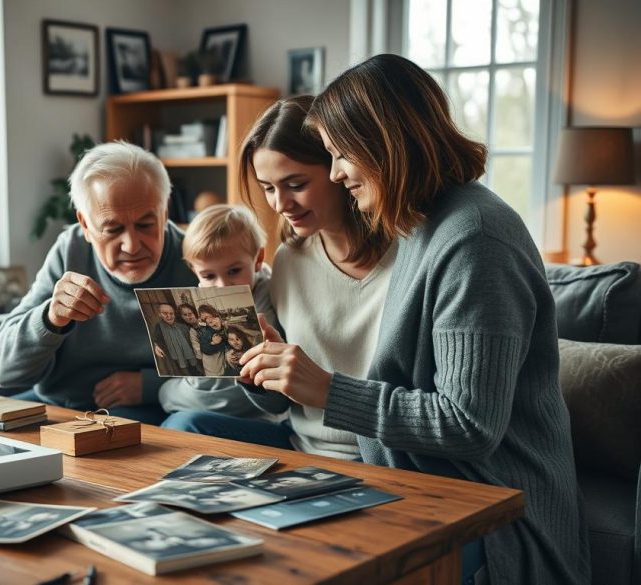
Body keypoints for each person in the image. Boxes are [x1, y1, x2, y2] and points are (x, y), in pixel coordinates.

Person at [241, 54, 590, 585]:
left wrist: (330, 391)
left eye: (340, 156)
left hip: (494, 511)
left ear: (384, 144)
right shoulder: (421, 227)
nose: (336, 173)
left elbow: (470, 426)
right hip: (411, 483)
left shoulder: (476, 239)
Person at [162, 96, 395, 459]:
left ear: (338, 169)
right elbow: (277, 406)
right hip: (298, 443)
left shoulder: (405, 257)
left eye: (296, 184)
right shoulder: (289, 259)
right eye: (268, 188)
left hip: (377, 451)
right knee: (179, 430)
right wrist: (257, 379)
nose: (279, 204)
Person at [0, 141, 196, 425]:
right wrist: (50, 319)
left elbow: (226, 369)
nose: (132, 246)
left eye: (146, 225)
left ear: (165, 212)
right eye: (113, 229)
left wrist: (149, 386)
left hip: (149, 410)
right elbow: (3, 371)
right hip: (60, 404)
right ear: (85, 225)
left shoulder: (197, 258)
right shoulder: (70, 249)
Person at [157, 205, 280, 422]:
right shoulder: (196, 304)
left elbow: (227, 390)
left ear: (258, 259)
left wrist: (171, 393)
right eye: (208, 275)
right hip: (206, 399)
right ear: (194, 270)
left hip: (254, 415)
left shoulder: (268, 300)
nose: (222, 285)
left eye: (234, 271)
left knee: (175, 411)